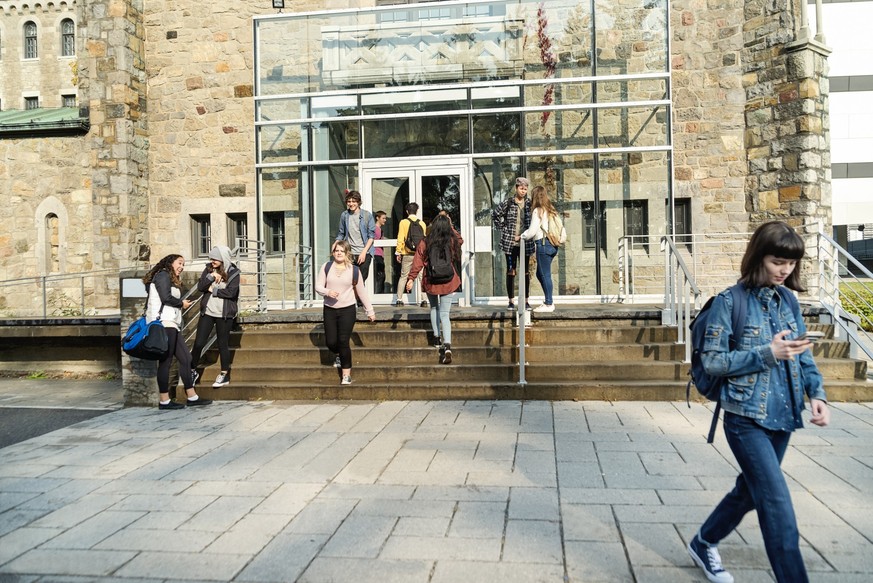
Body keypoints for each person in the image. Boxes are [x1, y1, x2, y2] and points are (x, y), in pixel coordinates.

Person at [687, 221, 829, 583]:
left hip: (784, 417)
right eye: (777, 261)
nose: (785, 270)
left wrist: (817, 394)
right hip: (745, 418)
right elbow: (714, 362)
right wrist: (767, 353)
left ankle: (704, 542)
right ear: (758, 257)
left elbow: (802, 355)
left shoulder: (788, 301)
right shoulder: (728, 302)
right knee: (776, 503)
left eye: (791, 263)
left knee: (750, 491)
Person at [142, 254, 212, 410]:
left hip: (172, 324)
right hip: (164, 324)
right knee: (166, 361)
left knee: (186, 359)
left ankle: (192, 396)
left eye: (184, 264)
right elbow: (165, 298)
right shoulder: (163, 275)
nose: (182, 266)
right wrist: (181, 303)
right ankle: (164, 400)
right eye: (179, 263)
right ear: (170, 263)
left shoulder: (168, 277)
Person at [316, 239, 376, 385]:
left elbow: (361, 292)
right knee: (331, 342)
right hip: (330, 309)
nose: (339, 253)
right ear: (333, 252)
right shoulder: (326, 267)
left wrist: (370, 310)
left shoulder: (354, 270)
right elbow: (317, 286)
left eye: (342, 251)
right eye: (336, 250)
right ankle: (338, 355)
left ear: (347, 253)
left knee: (343, 341)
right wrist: (327, 291)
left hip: (347, 310)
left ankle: (346, 374)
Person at [405, 214, 463, 364]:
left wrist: (411, 278)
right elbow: (460, 240)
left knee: (434, 308)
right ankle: (448, 346)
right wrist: (450, 226)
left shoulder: (426, 241)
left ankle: (437, 338)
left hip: (431, 280)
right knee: (445, 313)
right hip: (448, 280)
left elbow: (417, 261)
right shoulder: (451, 241)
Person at [190, 245, 240, 389]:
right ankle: (192, 371)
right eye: (211, 258)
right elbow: (201, 287)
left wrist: (214, 290)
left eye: (215, 258)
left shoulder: (234, 273)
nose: (212, 261)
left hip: (224, 314)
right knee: (199, 343)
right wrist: (211, 276)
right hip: (208, 312)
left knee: (223, 344)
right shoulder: (209, 269)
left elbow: (231, 293)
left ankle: (224, 374)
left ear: (223, 258)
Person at [520, 185, 566, 313]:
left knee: (544, 274)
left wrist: (522, 236)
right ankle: (547, 301)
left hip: (543, 245)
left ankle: (549, 303)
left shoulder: (538, 211)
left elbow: (532, 231)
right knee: (541, 274)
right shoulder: (551, 209)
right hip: (553, 245)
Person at [492, 177, 534, 310]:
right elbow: (495, 215)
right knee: (511, 271)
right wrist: (504, 228)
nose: (523, 191)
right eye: (521, 188)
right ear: (516, 188)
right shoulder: (508, 203)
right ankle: (511, 301)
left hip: (525, 242)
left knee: (526, 272)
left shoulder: (529, 204)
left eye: (525, 189)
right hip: (510, 243)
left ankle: (526, 301)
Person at [335, 190, 376, 282]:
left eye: (354, 201)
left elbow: (371, 237)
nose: (351, 204)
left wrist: (364, 252)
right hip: (350, 253)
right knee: (350, 280)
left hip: (365, 252)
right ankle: (351, 297)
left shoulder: (366, 215)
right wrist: (336, 243)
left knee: (360, 281)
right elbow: (341, 233)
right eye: (349, 201)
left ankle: (359, 297)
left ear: (358, 202)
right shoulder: (344, 215)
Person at [395, 202, 428, 307]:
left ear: (406, 211)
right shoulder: (422, 223)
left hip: (407, 254)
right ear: (417, 211)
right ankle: (424, 300)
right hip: (420, 255)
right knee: (421, 277)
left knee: (404, 276)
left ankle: (399, 299)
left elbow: (401, 238)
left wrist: (398, 252)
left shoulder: (403, 222)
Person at [373, 210, 387, 294]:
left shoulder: (380, 230)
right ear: (377, 218)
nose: (385, 220)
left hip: (380, 255)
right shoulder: (374, 229)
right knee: (380, 275)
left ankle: (380, 294)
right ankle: (378, 294)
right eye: (383, 218)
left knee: (381, 275)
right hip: (376, 254)